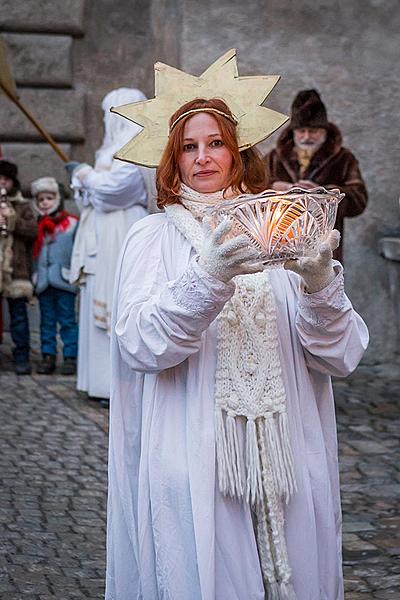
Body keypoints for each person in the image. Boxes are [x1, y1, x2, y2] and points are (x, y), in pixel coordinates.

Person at [105, 67, 369, 599]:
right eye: (187, 147)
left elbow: (338, 354)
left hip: (288, 455)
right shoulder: (152, 237)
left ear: (237, 151)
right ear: (171, 158)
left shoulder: (276, 227)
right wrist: (209, 277)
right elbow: (139, 342)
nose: (202, 157)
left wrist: (319, 282)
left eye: (216, 143)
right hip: (192, 451)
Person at [66, 88, 151, 400]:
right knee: (95, 301)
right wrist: (87, 183)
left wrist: (85, 175)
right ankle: (97, 381)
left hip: (123, 230)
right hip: (100, 234)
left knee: (120, 300)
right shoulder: (109, 150)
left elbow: (115, 191)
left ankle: (120, 387)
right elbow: (92, 198)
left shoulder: (137, 149)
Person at [264, 89, 368, 262]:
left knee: (322, 286)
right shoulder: (273, 157)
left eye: (314, 131)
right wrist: (279, 187)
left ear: (325, 131)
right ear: (293, 131)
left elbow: (359, 199)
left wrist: (324, 194)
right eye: (301, 130)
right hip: (280, 247)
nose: (306, 137)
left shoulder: (344, 158)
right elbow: (252, 186)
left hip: (324, 249)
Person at [31, 176, 79, 375]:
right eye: (41, 200)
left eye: (49, 198)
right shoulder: (35, 226)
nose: (45, 203)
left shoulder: (72, 224)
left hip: (64, 280)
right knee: (46, 321)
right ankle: (47, 356)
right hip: (43, 282)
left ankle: (70, 356)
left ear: (58, 198)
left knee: (67, 320)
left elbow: (77, 251)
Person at [0, 159, 37, 375]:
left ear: (12, 182)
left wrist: (11, 220)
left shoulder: (23, 205)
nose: (2, 183)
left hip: (17, 267)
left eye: (5, 179)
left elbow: (33, 231)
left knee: (19, 316)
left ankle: (22, 357)